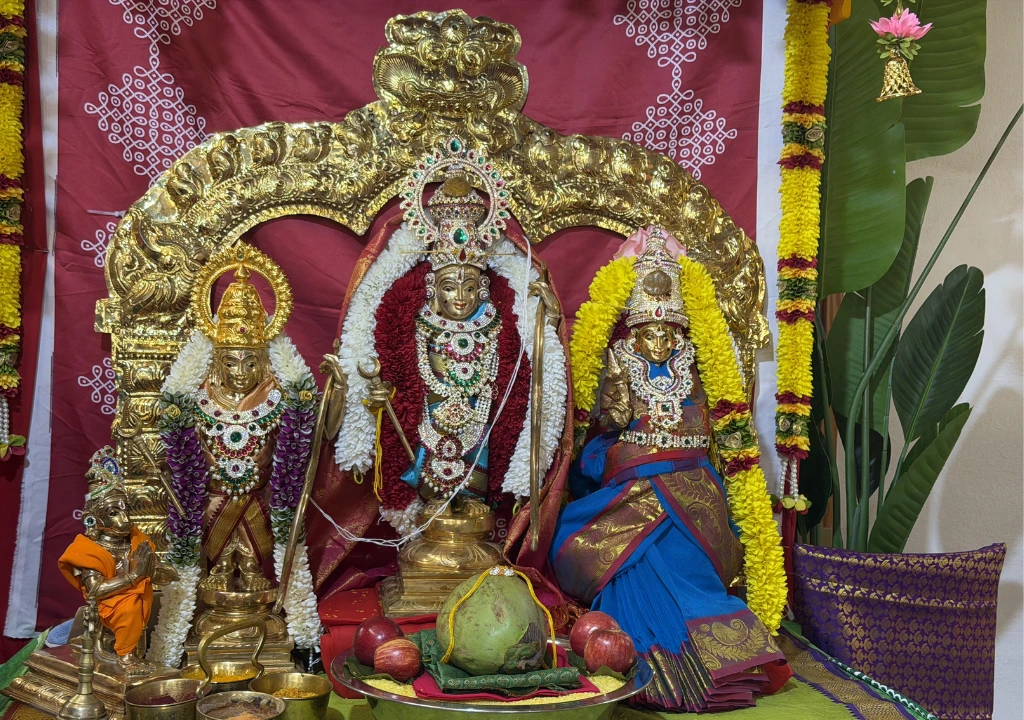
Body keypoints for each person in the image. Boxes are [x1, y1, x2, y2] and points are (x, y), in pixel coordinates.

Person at [551, 229, 791, 711]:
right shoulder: (620, 364)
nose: (659, 341)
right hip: (633, 491)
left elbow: (712, 425)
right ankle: (651, 664)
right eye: (648, 333)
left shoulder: (695, 365)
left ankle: (718, 659)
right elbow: (601, 434)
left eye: (668, 333)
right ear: (633, 333)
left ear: (681, 332)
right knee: (628, 563)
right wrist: (630, 452)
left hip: (691, 489)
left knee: (691, 564)